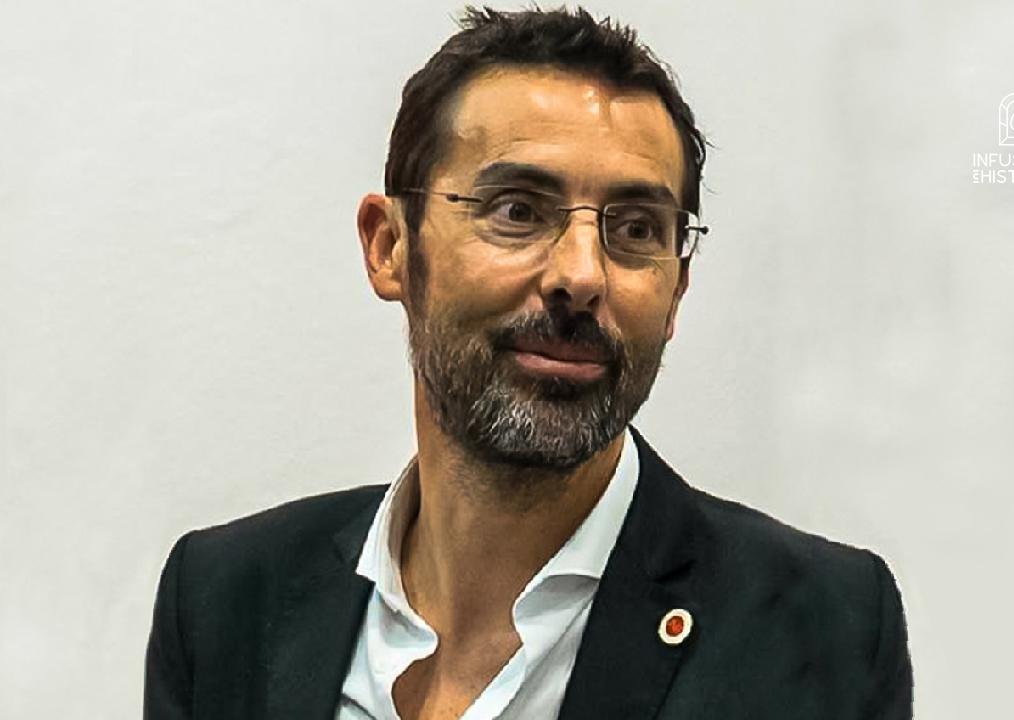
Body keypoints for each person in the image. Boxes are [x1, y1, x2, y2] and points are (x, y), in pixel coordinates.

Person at [144, 7, 913, 720]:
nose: (581, 274)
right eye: (517, 210)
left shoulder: (824, 632)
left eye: (635, 229)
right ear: (390, 246)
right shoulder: (224, 602)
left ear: (677, 289)